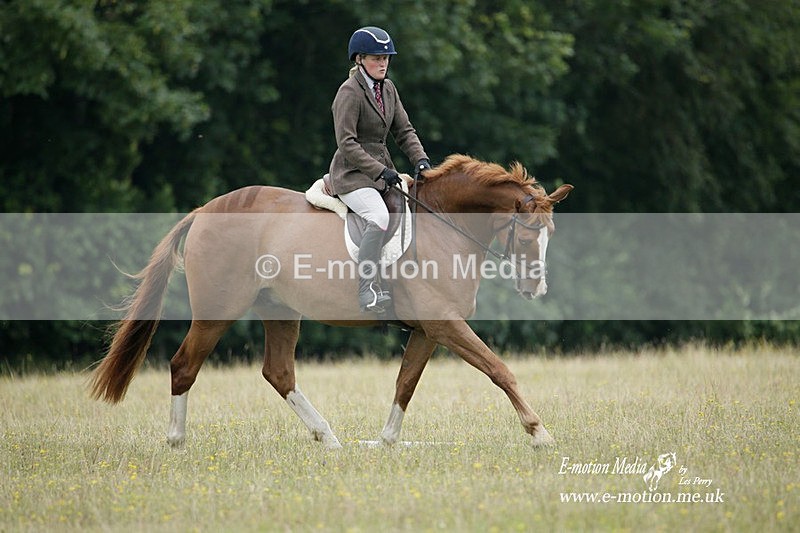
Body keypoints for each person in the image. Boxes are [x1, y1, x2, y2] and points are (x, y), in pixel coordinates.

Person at [327, 26, 431, 313]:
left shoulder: (388, 88)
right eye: (376, 58)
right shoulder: (349, 92)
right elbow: (347, 144)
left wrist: (420, 159)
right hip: (352, 175)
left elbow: (404, 130)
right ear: (359, 59)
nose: (383, 63)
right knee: (379, 217)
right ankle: (367, 289)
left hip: (381, 173)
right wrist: (378, 171)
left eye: (386, 58)